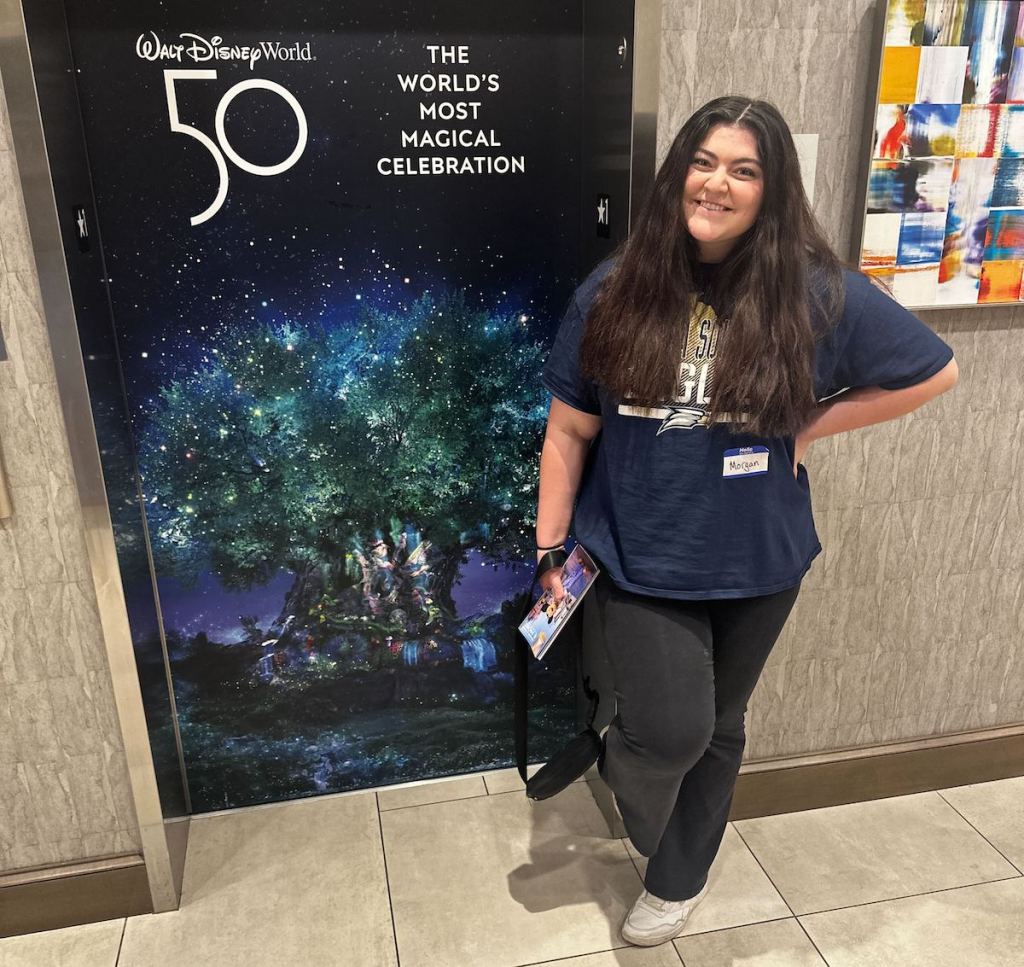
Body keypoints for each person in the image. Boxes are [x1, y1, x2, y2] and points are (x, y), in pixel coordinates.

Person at [534, 96, 958, 948]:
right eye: (703, 161)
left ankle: (676, 878)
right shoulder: (614, 291)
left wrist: (809, 423)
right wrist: (549, 547)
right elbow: (568, 430)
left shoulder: (813, 289)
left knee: (721, 727)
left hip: (764, 562)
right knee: (673, 730)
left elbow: (933, 371)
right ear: (676, 173)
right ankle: (629, 773)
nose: (716, 184)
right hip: (639, 557)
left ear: (771, 188)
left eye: (743, 169)